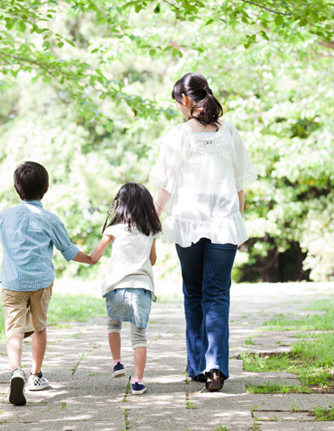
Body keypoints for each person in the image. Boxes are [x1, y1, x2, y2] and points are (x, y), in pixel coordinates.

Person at [150, 73, 258, 392]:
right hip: (225, 224)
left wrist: (148, 224)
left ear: (185, 100)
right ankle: (214, 367)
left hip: (188, 224)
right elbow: (240, 185)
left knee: (194, 294)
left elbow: (164, 189)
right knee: (217, 295)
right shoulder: (230, 133)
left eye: (177, 105)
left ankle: (199, 365)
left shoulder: (178, 136)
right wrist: (238, 220)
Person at [0, 161, 94, 405]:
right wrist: (90, 259)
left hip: (13, 283)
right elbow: (68, 251)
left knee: (14, 330)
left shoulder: (6, 215)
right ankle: (35, 376)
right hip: (40, 283)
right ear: (46, 188)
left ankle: (16, 370)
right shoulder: (50, 219)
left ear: (17, 189)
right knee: (39, 327)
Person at [88, 183, 161, 395]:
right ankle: (138, 382)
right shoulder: (151, 230)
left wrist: (83, 256)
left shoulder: (114, 229)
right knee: (139, 337)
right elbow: (153, 260)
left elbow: (95, 256)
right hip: (141, 288)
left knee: (113, 324)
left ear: (121, 205)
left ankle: (117, 362)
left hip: (116, 287)